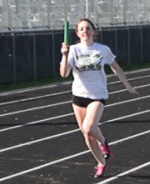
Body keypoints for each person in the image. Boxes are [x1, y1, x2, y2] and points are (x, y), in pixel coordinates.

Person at [60, 18, 140, 178]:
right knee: (86, 135)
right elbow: (63, 74)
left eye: (88, 28)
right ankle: (101, 163)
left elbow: (116, 68)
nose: (85, 31)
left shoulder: (102, 49)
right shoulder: (73, 50)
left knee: (89, 127)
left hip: (97, 94)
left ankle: (103, 142)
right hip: (78, 95)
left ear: (94, 31)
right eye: (81, 29)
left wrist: (128, 86)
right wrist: (64, 55)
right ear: (77, 33)